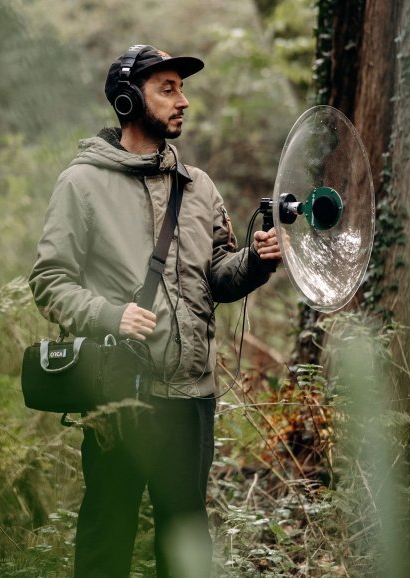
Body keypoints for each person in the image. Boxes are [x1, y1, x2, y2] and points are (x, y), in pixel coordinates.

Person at [28, 44, 281, 577]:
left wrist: (254, 262)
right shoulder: (82, 184)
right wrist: (108, 315)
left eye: (182, 89)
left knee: (184, 541)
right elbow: (49, 281)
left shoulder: (199, 188)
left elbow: (216, 276)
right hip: (120, 398)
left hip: (192, 397)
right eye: (168, 89)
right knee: (107, 536)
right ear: (127, 100)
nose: (182, 101)